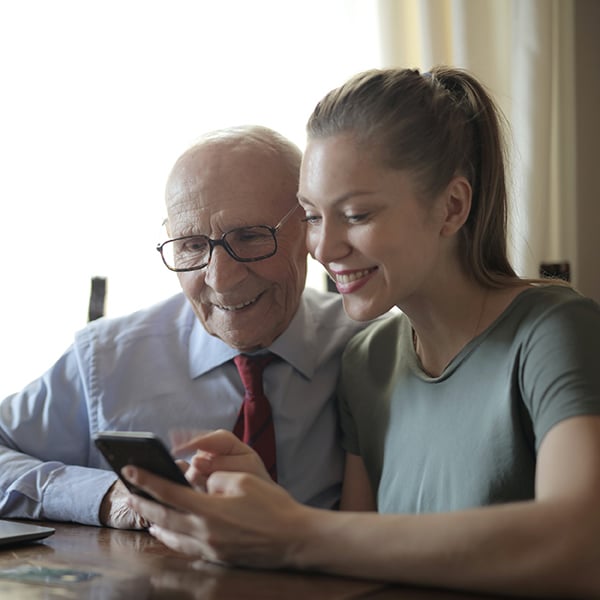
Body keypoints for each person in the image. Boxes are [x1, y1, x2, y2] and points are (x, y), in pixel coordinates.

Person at [122, 67, 600, 598]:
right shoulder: (369, 360)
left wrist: (291, 529)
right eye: (312, 217)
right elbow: (354, 568)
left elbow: (582, 545)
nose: (324, 250)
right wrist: (264, 507)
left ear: (453, 206)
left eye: (354, 214)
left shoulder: (554, 331)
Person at [0, 125, 369, 528]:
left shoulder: (373, 349)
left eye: (249, 237)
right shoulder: (105, 359)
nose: (220, 279)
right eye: (193, 245)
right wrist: (106, 496)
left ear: (310, 228)